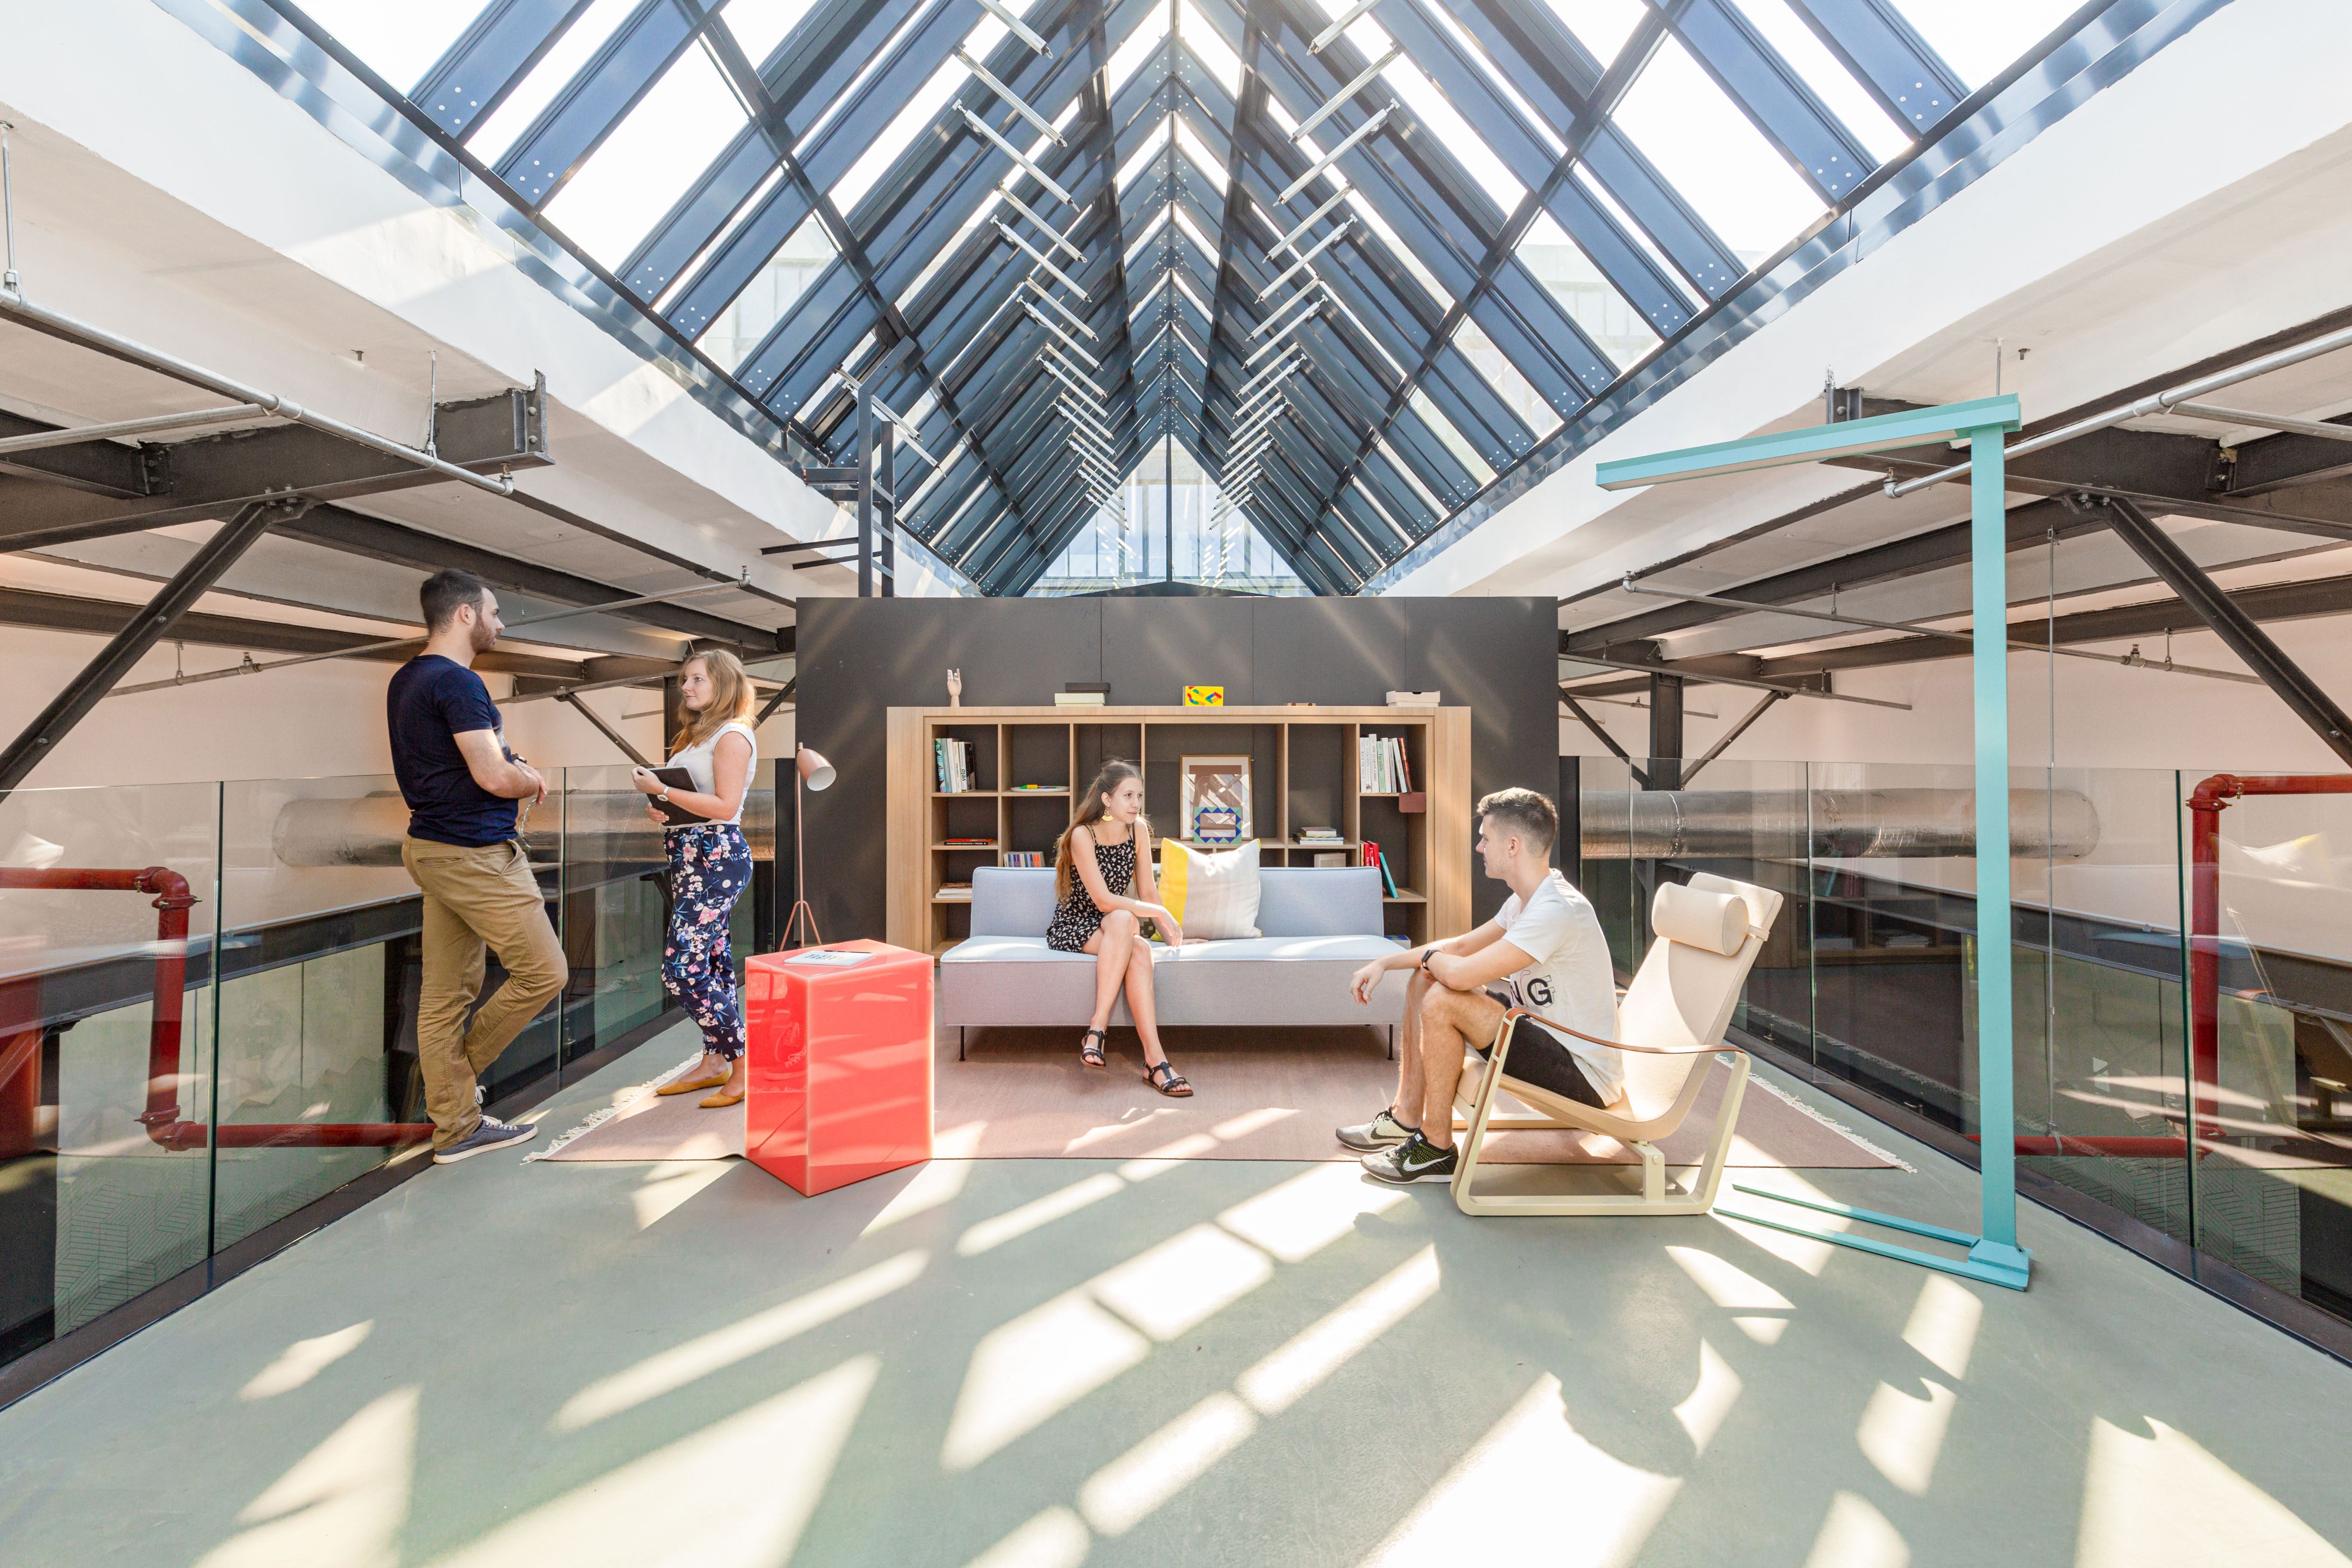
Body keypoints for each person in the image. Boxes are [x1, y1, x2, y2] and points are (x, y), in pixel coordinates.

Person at [1339, 787, 1617, 1185]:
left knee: (1443, 997)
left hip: (1580, 1071)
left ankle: (1435, 1149)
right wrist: (1385, 962)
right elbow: (1460, 948)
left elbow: (1462, 974)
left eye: (1486, 838)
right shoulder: (1526, 901)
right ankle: (1406, 1118)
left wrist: (1430, 960)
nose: (1479, 847)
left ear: (1513, 846)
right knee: (1425, 980)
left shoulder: (1557, 910)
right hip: (1541, 1035)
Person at [388, 569, 564, 1164]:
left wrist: (509, 764)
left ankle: (457, 1127)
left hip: (432, 848)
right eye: (493, 612)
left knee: (445, 996)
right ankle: (457, 1091)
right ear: (465, 614)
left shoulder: (408, 678)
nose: (500, 624)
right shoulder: (458, 682)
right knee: (545, 972)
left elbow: (461, 763)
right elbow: (492, 775)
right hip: (475, 854)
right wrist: (530, 778)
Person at [634, 651, 760, 1109]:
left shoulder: (733, 735)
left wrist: (663, 790)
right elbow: (693, 801)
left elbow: (725, 806)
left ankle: (743, 1063)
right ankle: (714, 1061)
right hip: (689, 855)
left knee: (682, 969)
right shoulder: (692, 738)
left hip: (717, 856)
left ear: (722, 683)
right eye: (685, 679)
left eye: (696, 679)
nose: (685, 687)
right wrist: (662, 808)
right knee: (714, 962)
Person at [1047, 760, 1192, 1096]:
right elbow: (1102, 901)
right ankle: (1110, 1034)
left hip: (1116, 924)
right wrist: (1157, 912)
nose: (1135, 804)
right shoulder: (1083, 835)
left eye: (1139, 796)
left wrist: (1172, 935)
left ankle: (1144, 1056)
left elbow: (1148, 891)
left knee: (1138, 943)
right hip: (1077, 923)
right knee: (1126, 923)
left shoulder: (1137, 830)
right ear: (1107, 799)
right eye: (1128, 796)